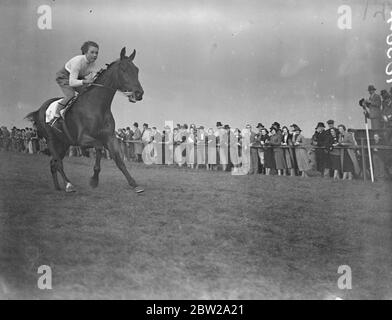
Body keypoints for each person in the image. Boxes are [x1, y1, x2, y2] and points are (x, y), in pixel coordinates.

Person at [51, 41, 100, 125]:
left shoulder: (93, 64)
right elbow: (72, 82)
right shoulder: (78, 61)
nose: (95, 55)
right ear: (85, 52)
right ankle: (56, 116)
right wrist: (86, 81)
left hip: (77, 77)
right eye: (92, 52)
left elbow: (94, 76)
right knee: (71, 95)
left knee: (88, 93)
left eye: (96, 53)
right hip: (64, 77)